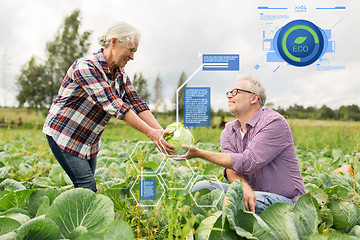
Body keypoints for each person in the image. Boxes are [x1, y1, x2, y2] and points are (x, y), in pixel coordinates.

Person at [43, 22, 174, 193]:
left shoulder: (120, 75)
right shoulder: (85, 67)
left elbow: (138, 104)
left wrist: (161, 133)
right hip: (64, 135)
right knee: (86, 186)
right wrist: (151, 134)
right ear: (114, 42)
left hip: (88, 140)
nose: (133, 56)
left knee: (86, 188)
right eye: (131, 49)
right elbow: (114, 105)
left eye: (135, 51)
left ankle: (81, 218)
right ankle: (77, 219)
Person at [178, 74, 305, 214]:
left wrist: (199, 153)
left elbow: (248, 161)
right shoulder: (229, 130)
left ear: (254, 98)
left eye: (235, 92)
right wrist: (244, 186)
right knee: (201, 188)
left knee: (235, 203)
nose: (229, 96)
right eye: (229, 93)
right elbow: (231, 168)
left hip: (286, 203)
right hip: (251, 196)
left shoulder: (274, 122)